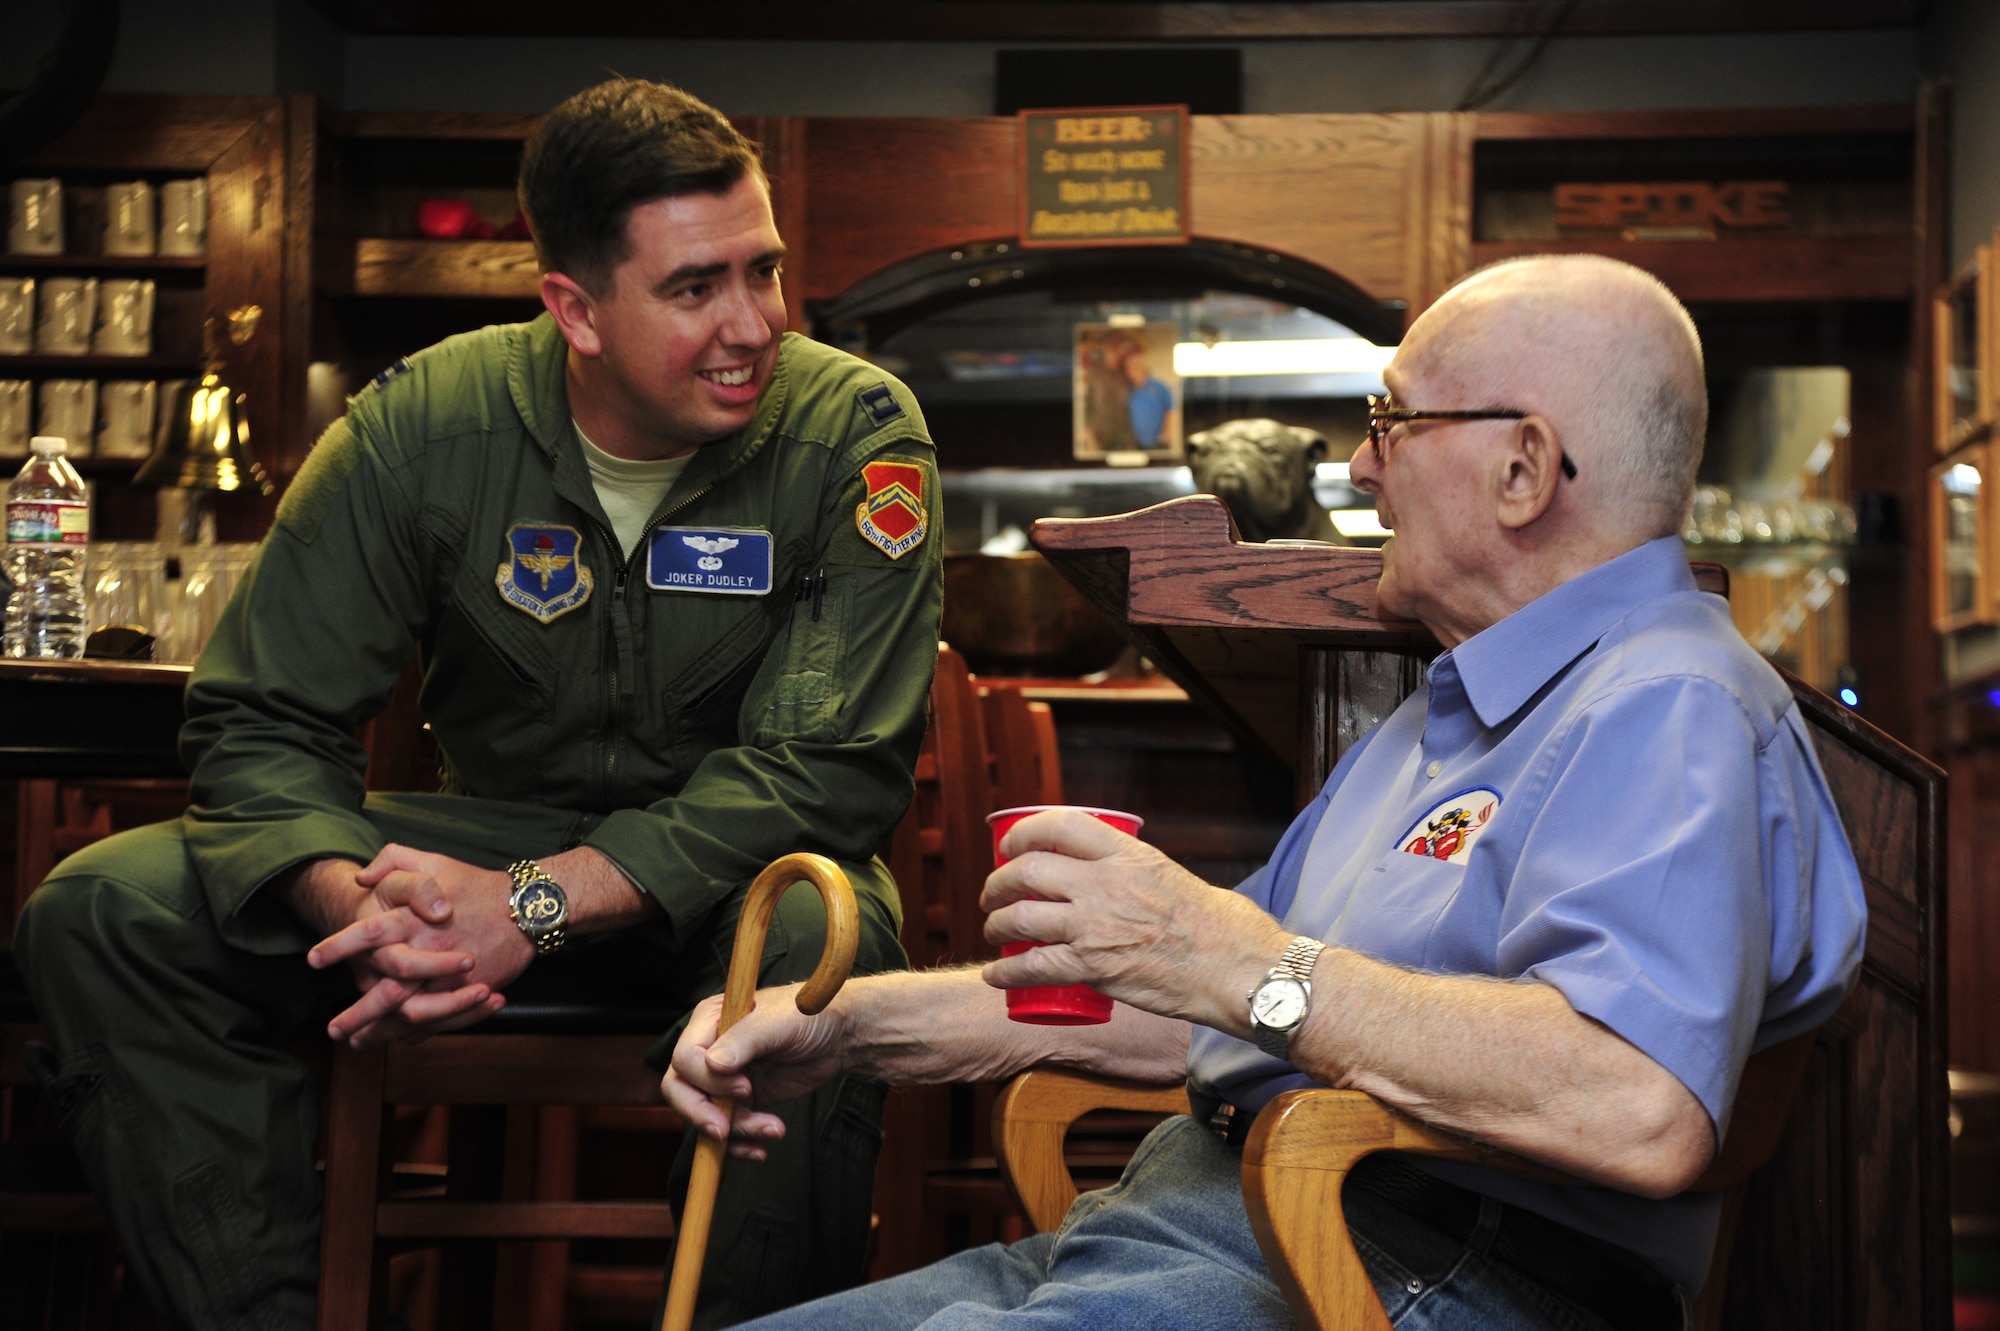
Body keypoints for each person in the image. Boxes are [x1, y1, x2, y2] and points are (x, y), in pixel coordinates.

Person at [662, 254, 1868, 1331]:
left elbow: (1635, 1100)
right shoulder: (1440, 718)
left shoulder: (1671, 701)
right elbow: (1203, 1010)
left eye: (1390, 419)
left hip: (1413, 1262)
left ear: (1523, 467)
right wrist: (846, 1026)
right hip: (1199, 1222)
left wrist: (1240, 958)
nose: (1356, 462)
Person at [16, 80, 940, 1331]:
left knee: (823, 943)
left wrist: (533, 905)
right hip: (483, 839)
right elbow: (262, 719)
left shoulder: (855, 433)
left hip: (738, 868)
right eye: (693, 287)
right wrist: (356, 907)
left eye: (760, 269)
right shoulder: (421, 425)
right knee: (97, 909)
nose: (752, 323)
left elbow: (825, 770)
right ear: (574, 309)